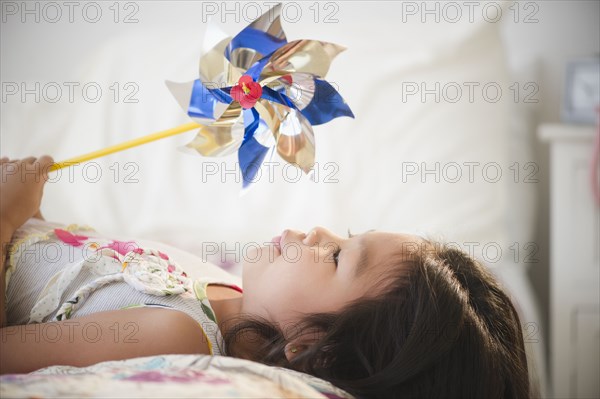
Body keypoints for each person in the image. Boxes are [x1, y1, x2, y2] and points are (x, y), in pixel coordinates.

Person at [0, 156, 533, 398]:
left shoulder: (176, 334)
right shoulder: (227, 291)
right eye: (345, 235)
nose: (320, 231)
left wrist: (5, 216)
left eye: (336, 257)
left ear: (315, 349)